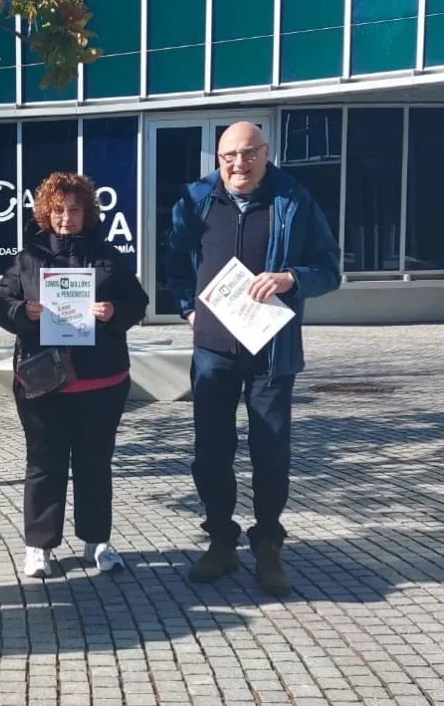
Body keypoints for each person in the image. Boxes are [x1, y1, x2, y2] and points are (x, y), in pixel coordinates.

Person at [163, 121, 341, 596]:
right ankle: (221, 541)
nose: (238, 164)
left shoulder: (294, 200)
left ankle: (268, 547)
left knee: (271, 454)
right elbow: (174, 257)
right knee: (211, 453)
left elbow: (330, 269)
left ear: (265, 154)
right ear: (217, 160)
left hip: (271, 351)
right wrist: (186, 307)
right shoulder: (196, 201)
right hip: (213, 351)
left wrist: (291, 279)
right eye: (228, 157)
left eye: (248, 154)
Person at [0, 172, 150, 578]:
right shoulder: (28, 258)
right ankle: (39, 546)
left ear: (88, 214)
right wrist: (20, 312)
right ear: (46, 212)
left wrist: (114, 311)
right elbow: (2, 301)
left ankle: (97, 542)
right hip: (43, 382)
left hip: (101, 382)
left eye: (75, 209)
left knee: (95, 463)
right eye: (59, 209)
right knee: (43, 464)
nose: (67, 218)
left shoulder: (109, 255)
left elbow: (138, 301)